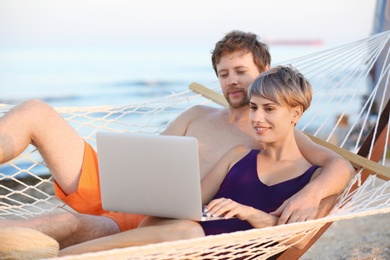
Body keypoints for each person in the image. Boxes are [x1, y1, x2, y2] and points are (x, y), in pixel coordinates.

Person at [0, 30, 354, 250]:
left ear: (266, 74)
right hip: (114, 189)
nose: (231, 81)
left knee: (62, 225)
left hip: (146, 223)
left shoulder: (270, 132)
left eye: (241, 72)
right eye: (223, 73)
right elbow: (148, 160)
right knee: (35, 111)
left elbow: (339, 164)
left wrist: (310, 194)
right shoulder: (198, 115)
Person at [59, 65, 340, 256]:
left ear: (295, 113)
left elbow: (300, 239)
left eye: (269, 109)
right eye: (254, 107)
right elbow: (186, 207)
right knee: (187, 229)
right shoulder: (238, 156)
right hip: (178, 245)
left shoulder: (316, 179)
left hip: (220, 251)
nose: (257, 118)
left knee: (190, 232)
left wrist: (248, 213)